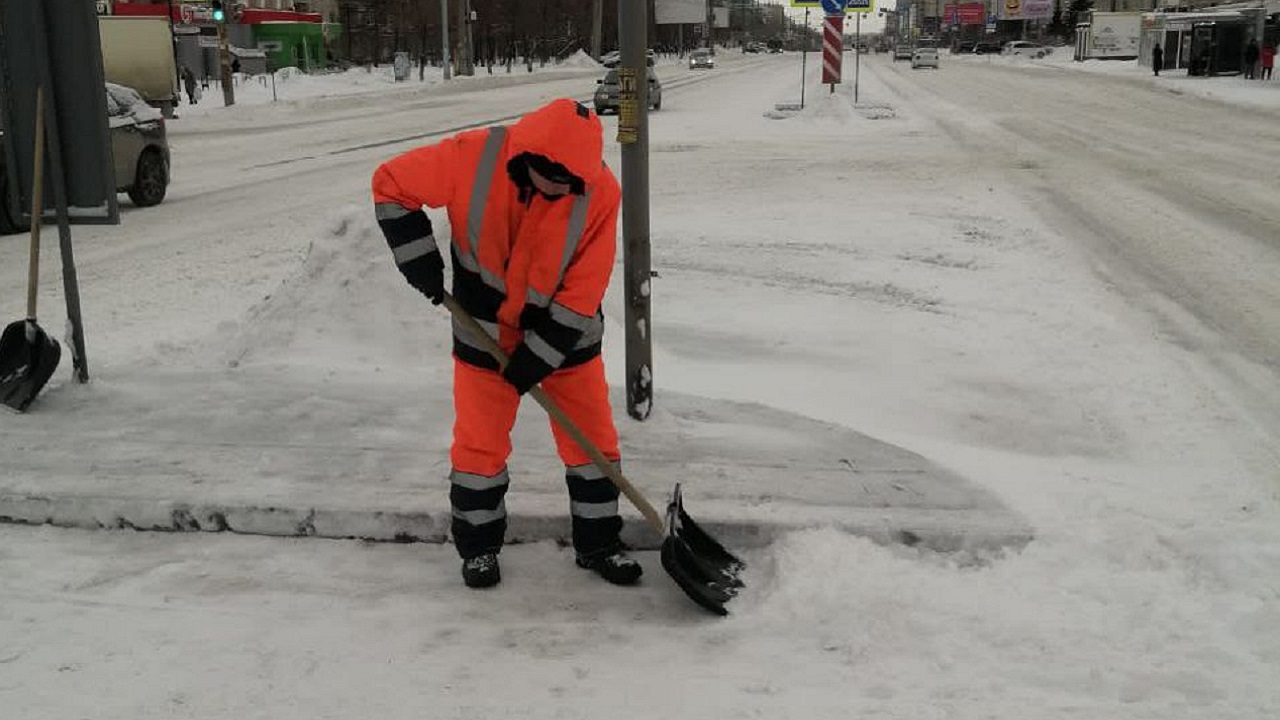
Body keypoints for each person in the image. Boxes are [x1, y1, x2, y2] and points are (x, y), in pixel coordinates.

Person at [370, 99, 641, 590]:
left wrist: (540, 356)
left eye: (573, 185)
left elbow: (584, 287)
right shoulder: (471, 156)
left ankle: (599, 544)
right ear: (532, 160)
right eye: (556, 181)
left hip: (567, 342)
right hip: (483, 334)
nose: (564, 191)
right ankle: (478, 550)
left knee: (592, 444)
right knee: (479, 449)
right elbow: (392, 184)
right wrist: (420, 262)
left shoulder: (599, 191)